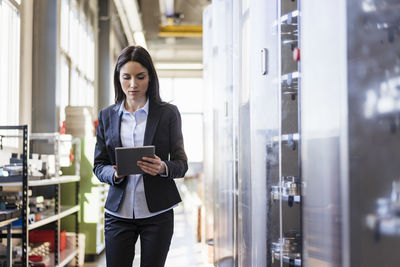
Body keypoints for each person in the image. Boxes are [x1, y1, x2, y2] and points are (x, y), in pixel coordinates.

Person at [93, 45, 188, 267]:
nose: (133, 84)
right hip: (118, 213)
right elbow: (99, 165)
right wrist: (113, 174)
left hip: (158, 214)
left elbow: (181, 164)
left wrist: (163, 167)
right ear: (118, 78)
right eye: (126, 77)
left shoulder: (167, 113)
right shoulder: (107, 116)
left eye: (140, 77)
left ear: (150, 78)